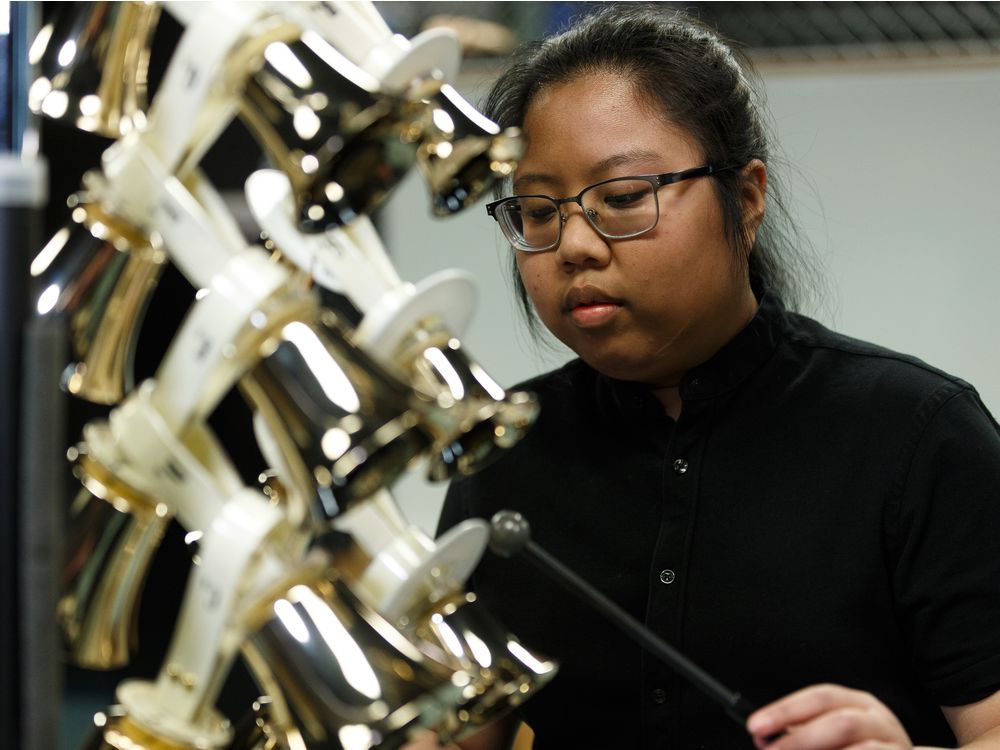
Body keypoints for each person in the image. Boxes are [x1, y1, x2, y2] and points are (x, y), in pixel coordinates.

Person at [415, 4, 1000, 748]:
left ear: (746, 199)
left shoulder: (917, 435)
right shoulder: (505, 445)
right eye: (536, 211)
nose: (574, 247)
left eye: (623, 198)